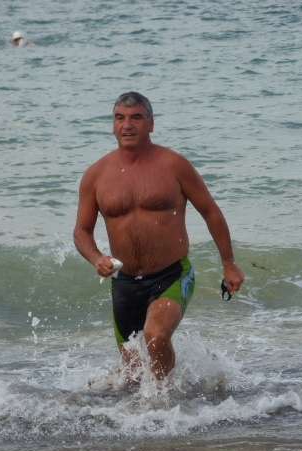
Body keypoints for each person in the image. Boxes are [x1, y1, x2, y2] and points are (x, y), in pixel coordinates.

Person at [74, 91, 245, 380]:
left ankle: (165, 400)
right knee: (132, 374)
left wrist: (229, 263)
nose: (127, 125)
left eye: (136, 118)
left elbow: (210, 212)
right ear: (113, 125)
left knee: (155, 336)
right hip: (124, 282)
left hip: (171, 275)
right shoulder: (96, 175)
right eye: (120, 118)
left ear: (151, 124)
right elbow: (81, 231)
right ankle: (155, 401)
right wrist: (96, 258)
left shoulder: (173, 165)